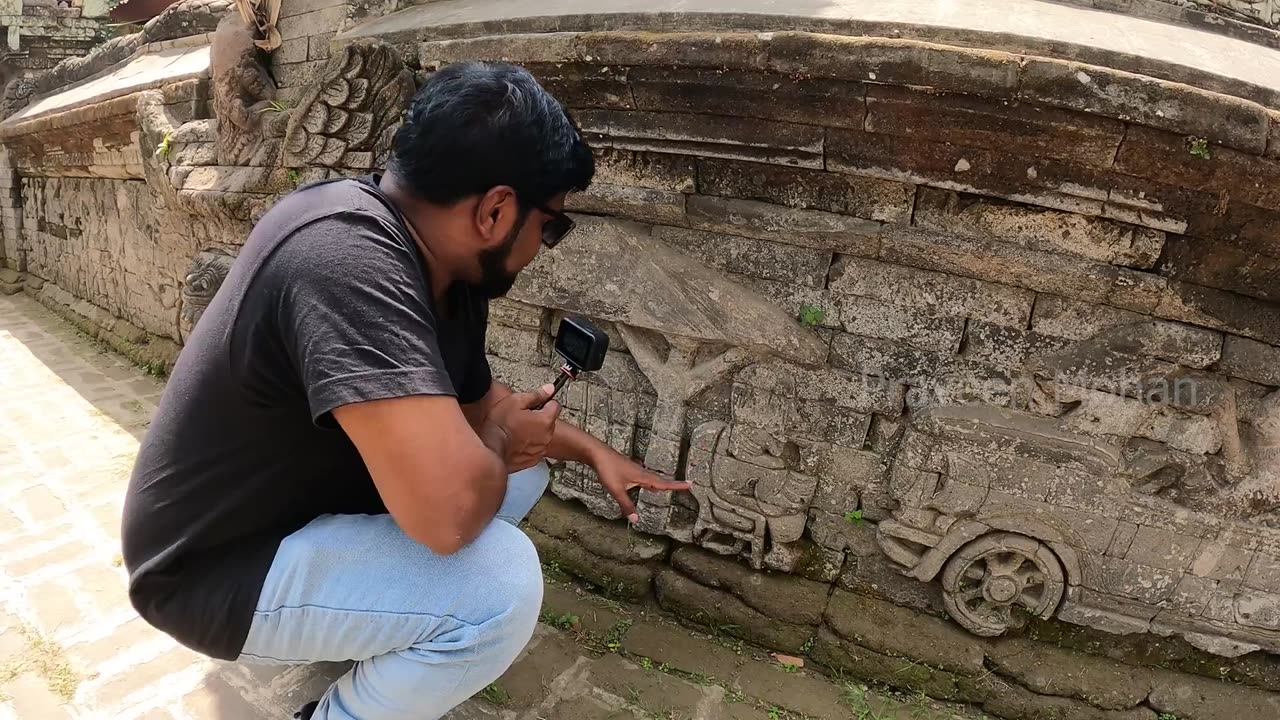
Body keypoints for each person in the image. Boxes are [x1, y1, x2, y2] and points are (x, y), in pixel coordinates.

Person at [121, 61, 687, 720]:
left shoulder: (446, 268)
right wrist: (502, 441)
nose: (544, 246)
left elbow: (485, 409)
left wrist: (592, 452)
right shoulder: (345, 260)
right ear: (497, 210)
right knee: (500, 584)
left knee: (524, 477)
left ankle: (374, 625)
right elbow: (450, 513)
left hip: (290, 513)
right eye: (551, 226)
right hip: (210, 569)